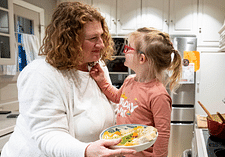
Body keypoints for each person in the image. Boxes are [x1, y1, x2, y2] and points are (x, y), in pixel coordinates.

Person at [1, 2, 136, 157]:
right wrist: (85, 150)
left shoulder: (97, 67)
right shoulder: (40, 74)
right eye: (93, 38)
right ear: (69, 40)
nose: (101, 44)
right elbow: (48, 134)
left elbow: (111, 107)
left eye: (102, 36)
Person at [90, 27, 183, 157]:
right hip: (123, 151)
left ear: (141, 58)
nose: (124, 51)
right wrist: (102, 80)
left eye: (128, 49)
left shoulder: (158, 94)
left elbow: (162, 134)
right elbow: (117, 97)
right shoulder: (129, 81)